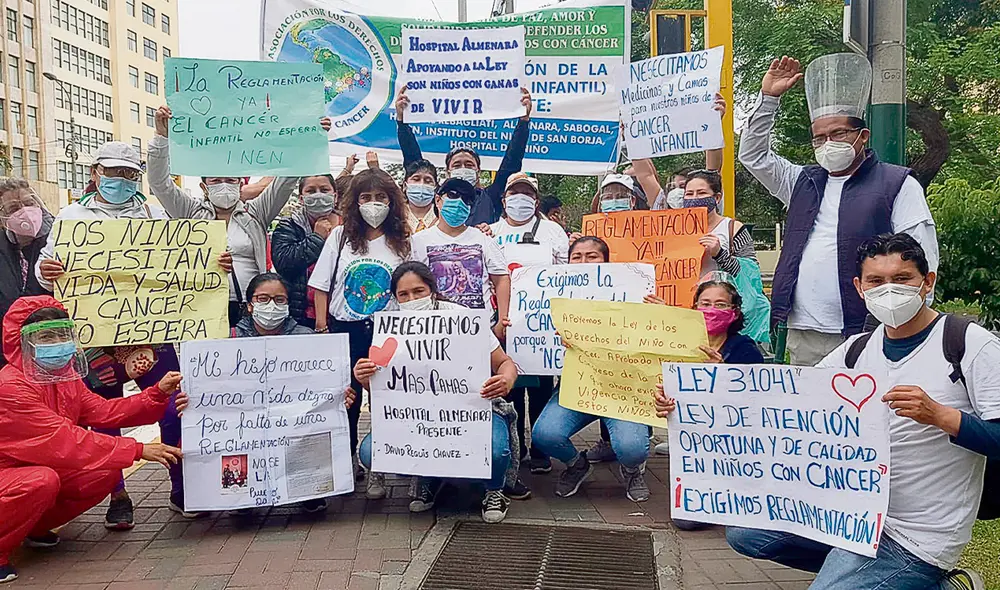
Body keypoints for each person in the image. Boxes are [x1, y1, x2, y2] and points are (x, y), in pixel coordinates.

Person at [657, 234, 994, 589]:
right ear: (859, 287)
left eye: (902, 279)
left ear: (928, 282)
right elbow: (783, 401)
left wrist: (942, 416)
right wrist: (704, 392)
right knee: (747, 534)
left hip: (915, 536)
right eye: (876, 281)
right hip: (850, 515)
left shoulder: (969, 345)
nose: (889, 290)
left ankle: (917, 579)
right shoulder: (856, 352)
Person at [34, 141, 223, 523]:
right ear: (95, 173)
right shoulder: (70, 216)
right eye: (113, 172)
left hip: (150, 334)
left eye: (129, 174)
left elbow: (186, 263)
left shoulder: (155, 215)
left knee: (175, 407)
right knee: (105, 419)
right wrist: (47, 271)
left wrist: (215, 263)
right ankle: (117, 494)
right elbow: (44, 266)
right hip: (96, 340)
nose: (120, 180)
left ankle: (182, 486)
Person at [739, 54, 938, 365]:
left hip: (867, 331)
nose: (828, 143)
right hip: (803, 330)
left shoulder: (896, 183)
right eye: (819, 137)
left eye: (839, 134)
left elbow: (923, 256)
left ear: (863, 136)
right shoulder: (802, 181)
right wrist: (768, 99)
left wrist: (910, 324)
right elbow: (753, 156)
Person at [0, 296, 189, 584]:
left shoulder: (63, 377)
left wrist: (157, 393)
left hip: (37, 466)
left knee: (104, 473)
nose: (57, 342)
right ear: (22, 341)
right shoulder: (11, 386)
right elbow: (64, 440)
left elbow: (104, 411)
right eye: (46, 336)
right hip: (14, 473)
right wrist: (138, 449)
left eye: (62, 334)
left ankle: (32, 527)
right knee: (41, 481)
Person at [353, 261, 520, 523]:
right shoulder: (390, 328)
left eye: (418, 292)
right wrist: (364, 378)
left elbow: (505, 362)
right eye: (403, 295)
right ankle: (428, 477)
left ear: (432, 289)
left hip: (473, 412)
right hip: (415, 417)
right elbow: (385, 388)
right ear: (395, 298)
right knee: (369, 452)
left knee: (496, 449)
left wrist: (506, 380)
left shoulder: (462, 318)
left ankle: (493, 490)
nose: (412, 299)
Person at [150, 105, 333, 327]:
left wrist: (309, 139)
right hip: (202, 307)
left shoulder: (256, 212)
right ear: (204, 187)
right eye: (216, 181)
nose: (224, 186)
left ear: (240, 184)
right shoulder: (190, 212)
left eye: (231, 180)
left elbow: (286, 180)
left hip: (251, 308)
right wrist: (161, 138)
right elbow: (159, 183)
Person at [532, 236, 659, 502]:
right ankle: (577, 465)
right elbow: (531, 332)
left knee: (631, 448)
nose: (584, 262)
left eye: (592, 256)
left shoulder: (635, 295)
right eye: (577, 257)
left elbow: (657, 339)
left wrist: (659, 314)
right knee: (544, 435)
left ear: (606, 262)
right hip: (578, 385)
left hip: (623, 387)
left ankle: (633, 468)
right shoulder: (551, 297)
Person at [308, 169, 411, 481]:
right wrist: (323, 326)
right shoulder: (340, 238)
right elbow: (322, 285)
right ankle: (348, 461)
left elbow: (413, 284)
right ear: (355, 202)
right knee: (347, 399)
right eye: (366, 197)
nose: (374, 204)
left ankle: (382, 462)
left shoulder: (404, 242)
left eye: (381, 197)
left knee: (386, 398)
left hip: (388, 333)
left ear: (392, 202)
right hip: (346, 330)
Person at [233, 272, 357, 513]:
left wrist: (339, 397)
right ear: (250, 306)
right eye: (263, 299)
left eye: (280, 300)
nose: (272, 305)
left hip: (293, 422)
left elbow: (325, 384)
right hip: (248, 422)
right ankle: (244, 494)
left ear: (288, 305)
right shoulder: (230, 339)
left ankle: (309, 489)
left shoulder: (306, 338)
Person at [487, 173, 569, 478]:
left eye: (527, 194)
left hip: (539, 328)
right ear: (504, 199)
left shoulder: (552, 231)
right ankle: (514, 448)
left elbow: (566, 271)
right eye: (514, 193)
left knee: (540, 392)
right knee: (508, 391)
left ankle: (540, 452)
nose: (520, 199)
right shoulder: (490, 232)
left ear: (535, 200)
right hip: (501, 326)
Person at [650, 279, 766, 477]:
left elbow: (757, 400)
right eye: (705, 304)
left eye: (720, 304)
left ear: (734, 312)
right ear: (694, 308)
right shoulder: (678, 343)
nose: (711, 310)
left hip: (734, 441)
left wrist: (722, 374)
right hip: (689, 437)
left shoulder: (746, 350)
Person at [395, 85, 533, 226]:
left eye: (468, 165)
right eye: (457, 165)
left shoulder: (490, 197)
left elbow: (512, 161)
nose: (463, 168)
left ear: (478, 171)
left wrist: (523, 123)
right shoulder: (436, 197)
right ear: (448, 172)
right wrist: (402, 122)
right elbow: (414, 162)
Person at [411, 178, 511, 342]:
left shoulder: (484, 239)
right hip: (434, 331)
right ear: (438, 200)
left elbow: (501, 279)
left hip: (481, 331)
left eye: (467, 199)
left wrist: (502, 320)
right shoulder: (418, 241)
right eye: (453, 195)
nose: (459, 202)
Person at [271, 174, 342, 329]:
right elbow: (284, 265)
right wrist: (316, 238)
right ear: (302, 198)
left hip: (343, 312)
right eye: (311, 191)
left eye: (324, 190)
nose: (318, 195)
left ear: (335, 196)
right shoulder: (288, 226)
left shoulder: (351, 226)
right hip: (303, 316)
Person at [0, 179, 51, 368]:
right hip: (5, 354)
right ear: (3, 218)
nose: (24, 212)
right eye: (13, 208)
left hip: (50, 348)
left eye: (29, 204)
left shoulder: (58, 242)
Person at [401, 158, 440, 233]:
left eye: (428, 181)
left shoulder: (443, 217)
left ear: (435, 187)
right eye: (416, 179)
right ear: (405, 185)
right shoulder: (396, 215)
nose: (421, 184)